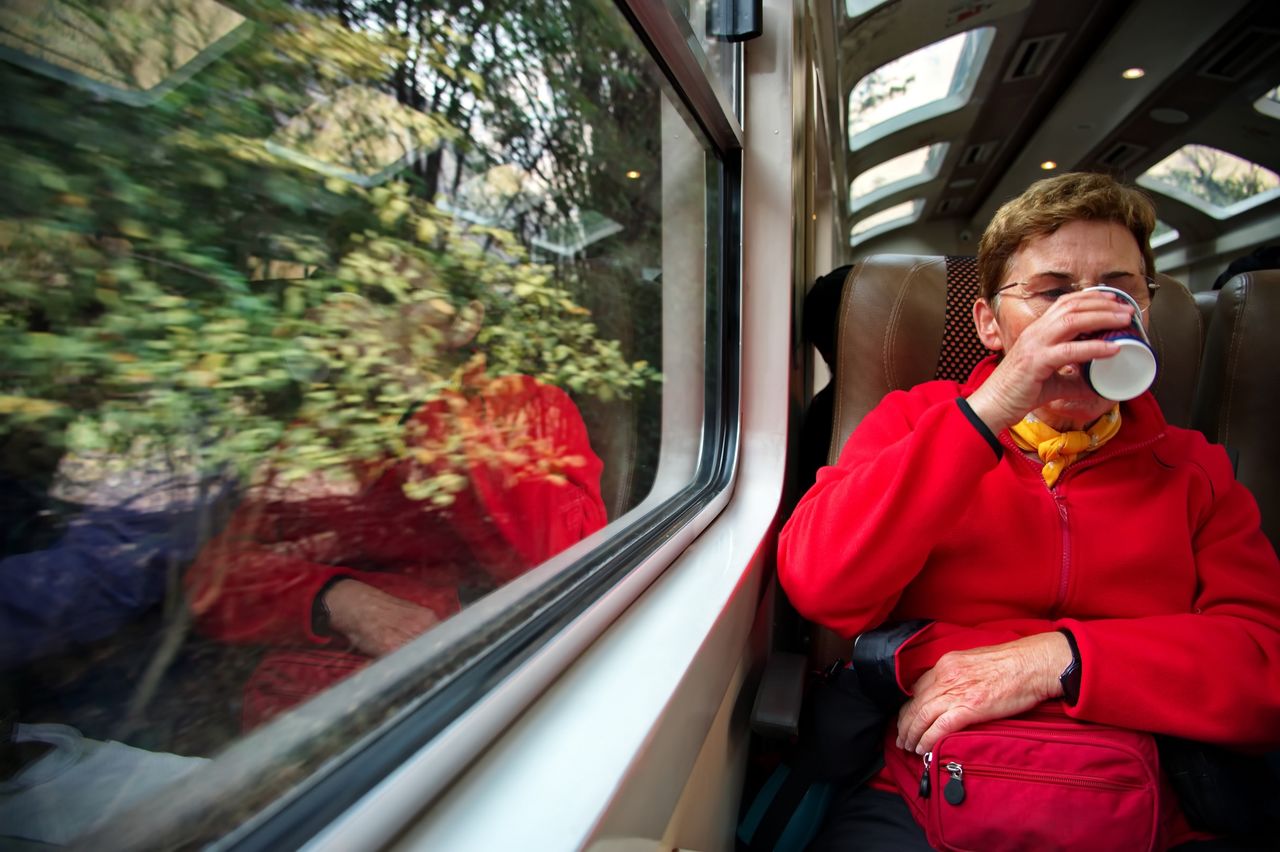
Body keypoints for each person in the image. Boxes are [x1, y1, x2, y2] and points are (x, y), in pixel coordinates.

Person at [777, 172, 1280, 849]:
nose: (1089, 313)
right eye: (1050, 293)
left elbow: (1264, 663)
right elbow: (821, 585)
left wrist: (1059, 659)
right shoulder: (912, 422)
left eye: (1118, 289)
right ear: (989, 323)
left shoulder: (1194, 470)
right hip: (926, 783)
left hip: (1140, 791)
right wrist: (989, 411)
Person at [185, 297, 607, 730]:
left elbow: (565, 568)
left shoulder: (525, 408)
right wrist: (334, 599)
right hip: (333, 711)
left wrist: (424, 396)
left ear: (463, 323)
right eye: (343, 293)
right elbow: (213, 581)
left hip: (492, 691)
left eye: (387, 297)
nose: (355, 312)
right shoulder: (317, 434)